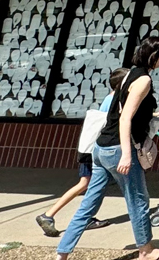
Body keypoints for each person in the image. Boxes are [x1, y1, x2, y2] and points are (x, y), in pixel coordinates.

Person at [48, 36, 159, 260]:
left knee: (88, 205)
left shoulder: (129, 75)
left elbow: (122, 111)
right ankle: (146, 252)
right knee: (138, 200)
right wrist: (127, 154)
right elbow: (126, 117)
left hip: (101, 148)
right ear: (153, 56)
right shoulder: (144, 80)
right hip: (118, 149)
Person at [36, 68, 130, 237]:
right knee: (85, 184)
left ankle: (83, 217)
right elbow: (124, 117)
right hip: (95, 149)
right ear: (122, 85)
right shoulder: (113, 100)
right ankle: (48, 215)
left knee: (93, 185)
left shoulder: (111, 99)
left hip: (91, 148)